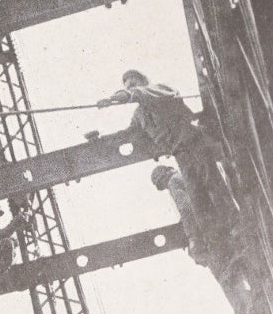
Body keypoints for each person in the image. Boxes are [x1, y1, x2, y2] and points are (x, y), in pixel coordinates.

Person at [98, 70, 232, 225]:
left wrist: (114, 98)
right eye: (128, 88)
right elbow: (129, 134)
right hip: (180, 155)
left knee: (213, 185)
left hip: (195, 145)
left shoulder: (160, 89)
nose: (131, 89)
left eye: (133, 84)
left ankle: (236, 225)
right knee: (197, 199)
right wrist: (103, 140)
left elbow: (141, 93)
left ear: (143, 81)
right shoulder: (139, 114)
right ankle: (216, 239)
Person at [150, 162, 252, 314]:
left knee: (228, 279)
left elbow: (187, 210)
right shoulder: (191, 172)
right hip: (228, 227)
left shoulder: (174, 182)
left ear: (163, 178)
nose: (165, 189)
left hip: (212, 237)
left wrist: (193, 240)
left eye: (162, 186)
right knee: (243, 268)